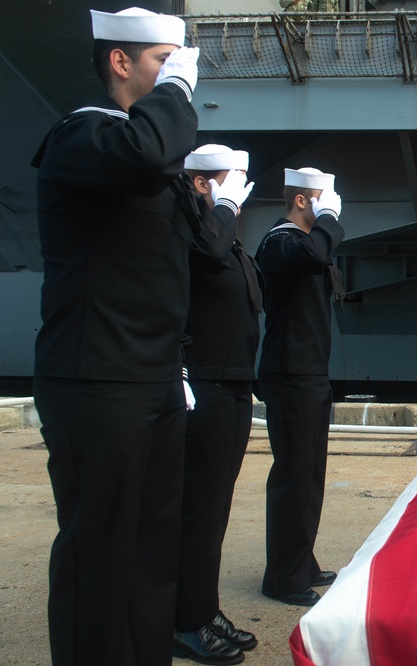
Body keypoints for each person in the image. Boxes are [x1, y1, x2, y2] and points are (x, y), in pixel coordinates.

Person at [30, 7, 199, 665]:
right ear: (119, 62)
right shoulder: (82, 136)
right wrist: (178, 92)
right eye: (163, 61)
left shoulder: (142, 155)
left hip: (152, 376)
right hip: (97, 379)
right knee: (98, 553)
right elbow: (149, 149)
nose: (176, 76)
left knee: (153, 550)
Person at [173, 145, 260, 664]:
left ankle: (202, 608)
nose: (239, 193)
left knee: (216, 507)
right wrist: (221, 210)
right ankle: (185, 621)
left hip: (233, 384)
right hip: (203, 384)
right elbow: (204, 257)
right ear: (204, 184)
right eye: (230, 182)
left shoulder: (225, 237)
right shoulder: (196, 232)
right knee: (198, 509)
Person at [255, 167, 345, 607]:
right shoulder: (279, 241)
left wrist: (325, 221)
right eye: (322, 198)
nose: (331, 207)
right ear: (303, 201)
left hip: (308, 372)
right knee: (294, 477)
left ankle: (300, 561)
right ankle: (283, 579)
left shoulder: (303, 244)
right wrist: (329, 219)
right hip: (290, 374)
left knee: (310, 476)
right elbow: (314, 255)